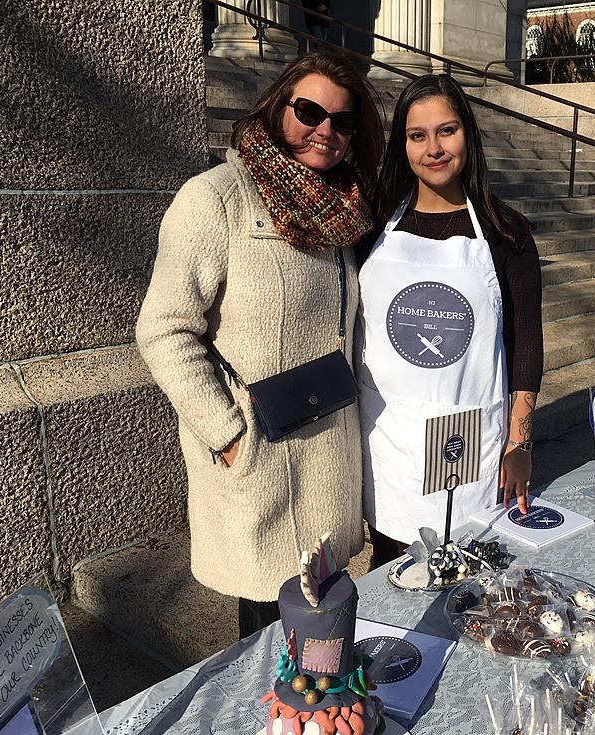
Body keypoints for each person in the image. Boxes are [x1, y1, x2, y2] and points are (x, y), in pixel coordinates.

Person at [135, 53, 383, 639]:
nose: (326, 130)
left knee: (322, 641)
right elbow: (164, 328)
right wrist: (228, 433)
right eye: (310, 111)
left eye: (342, 121)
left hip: (327, 461)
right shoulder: (217, 198)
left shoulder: (342, 209)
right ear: (278, 110)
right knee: (269, 644)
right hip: (262, 462)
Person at [355, 74, 543, 568]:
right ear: (403, 146)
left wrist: (519, 442)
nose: (434, 148)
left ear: (469, 137)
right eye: (418, 135)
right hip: (389, 439)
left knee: (467, 572)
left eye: (447, 131)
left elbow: (525, 346)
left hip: (467, 439)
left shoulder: (507, 233)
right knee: (391, 577)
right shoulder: (370, 226)